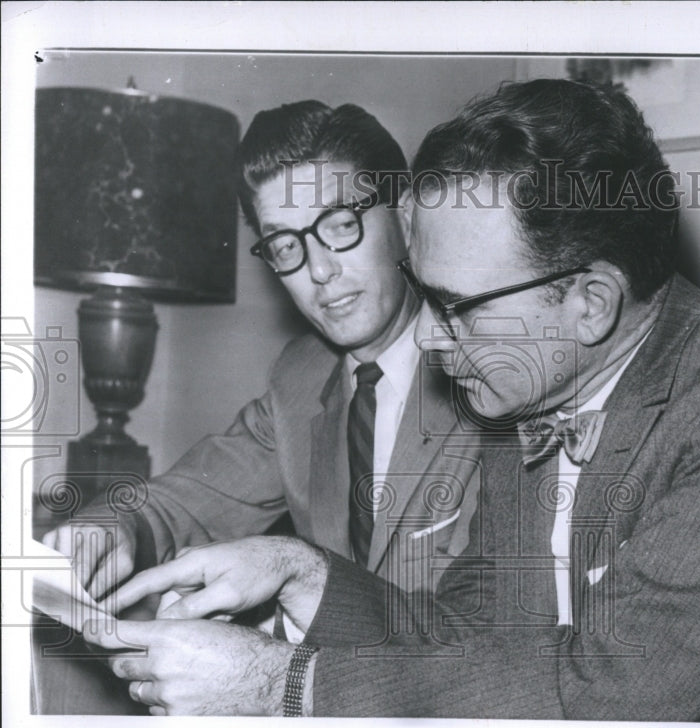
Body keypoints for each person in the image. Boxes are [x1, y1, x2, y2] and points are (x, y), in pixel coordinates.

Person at [90, 79, 700, 722]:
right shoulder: (533, 390)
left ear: (590, 303)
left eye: (455, 307)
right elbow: (469, 633)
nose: (430, 340)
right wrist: (298, 569)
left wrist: (278, 685)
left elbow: (610, 689)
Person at [43, 100, 480, 600]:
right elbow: (183, 501)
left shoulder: (489, 371)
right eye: (286, 245)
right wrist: (112, 527)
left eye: (340, 225)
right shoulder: (301, 377)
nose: (318, 271)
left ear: (404, 219)